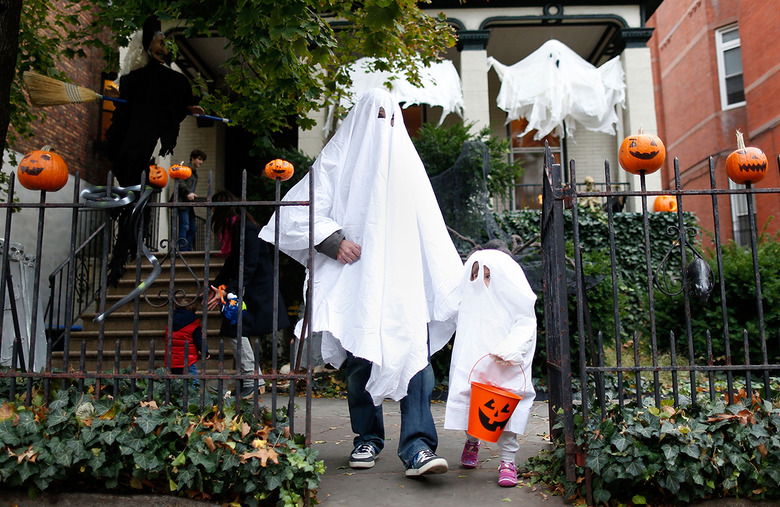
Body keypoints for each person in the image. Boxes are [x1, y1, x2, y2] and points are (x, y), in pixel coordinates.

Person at [260, 88, 463, 477]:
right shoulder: (338, 161)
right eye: (378, 117)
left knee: (415, 359)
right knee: (360, 360)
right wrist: (332, 241)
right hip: (357, 279)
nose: (385, 126)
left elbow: (429, 229)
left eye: (392, 118)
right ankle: (367, 438)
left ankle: (418, 447)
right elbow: (296, 211)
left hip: (404, 281)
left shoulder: (407, 167)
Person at [444, 249, 537, 488]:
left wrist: (509, 349)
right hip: (475, 364)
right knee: (473, 407)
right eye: (476, 276)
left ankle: (507, 461)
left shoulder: (513, 301)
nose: (482, 283)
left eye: (488, 276)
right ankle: (472, 441)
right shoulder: (470, 303)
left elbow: (526, 324)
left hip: (505, 365)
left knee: (506, 411)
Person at [207, 191, 290, 399]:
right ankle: (252, 380)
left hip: (257, 291)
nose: (212, 213)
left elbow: (248, 264)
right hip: (249, 289)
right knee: (235, 328)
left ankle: (252, 380)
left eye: (214, 208)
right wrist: (215, 285)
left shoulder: (247, 229)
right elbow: (232, 262)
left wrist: (229, 290)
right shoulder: (238, 228)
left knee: (234, 329)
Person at [106, 15, 204, 187]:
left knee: (136, 175)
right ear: (146, 44)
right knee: (128, 174)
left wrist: (186, 107)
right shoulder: (130, 80)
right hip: (127, 143)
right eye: (161, 43)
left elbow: (171, 102)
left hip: (144, 144)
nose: (164, 51)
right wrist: (119, 98)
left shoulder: (171, 80)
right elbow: (124, 115)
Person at [164, 301, 209, 386]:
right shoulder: (194, 326)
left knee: (174, 384)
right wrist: (205, 352)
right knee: (192, 383)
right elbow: (199, 341)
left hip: (171, 361)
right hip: (188, 362)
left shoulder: (170, 325)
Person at [174, 149, 205, 251]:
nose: (201, 162)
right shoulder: (186, 169)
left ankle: (186, 248)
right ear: (192, 158)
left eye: (202, 160)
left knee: (192, 228)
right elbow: (180, 182)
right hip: (182, 202)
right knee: (185, 226)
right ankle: (182, 250)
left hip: (188, 203)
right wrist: (188, 193)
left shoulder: (194, 172)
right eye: (199, 159)